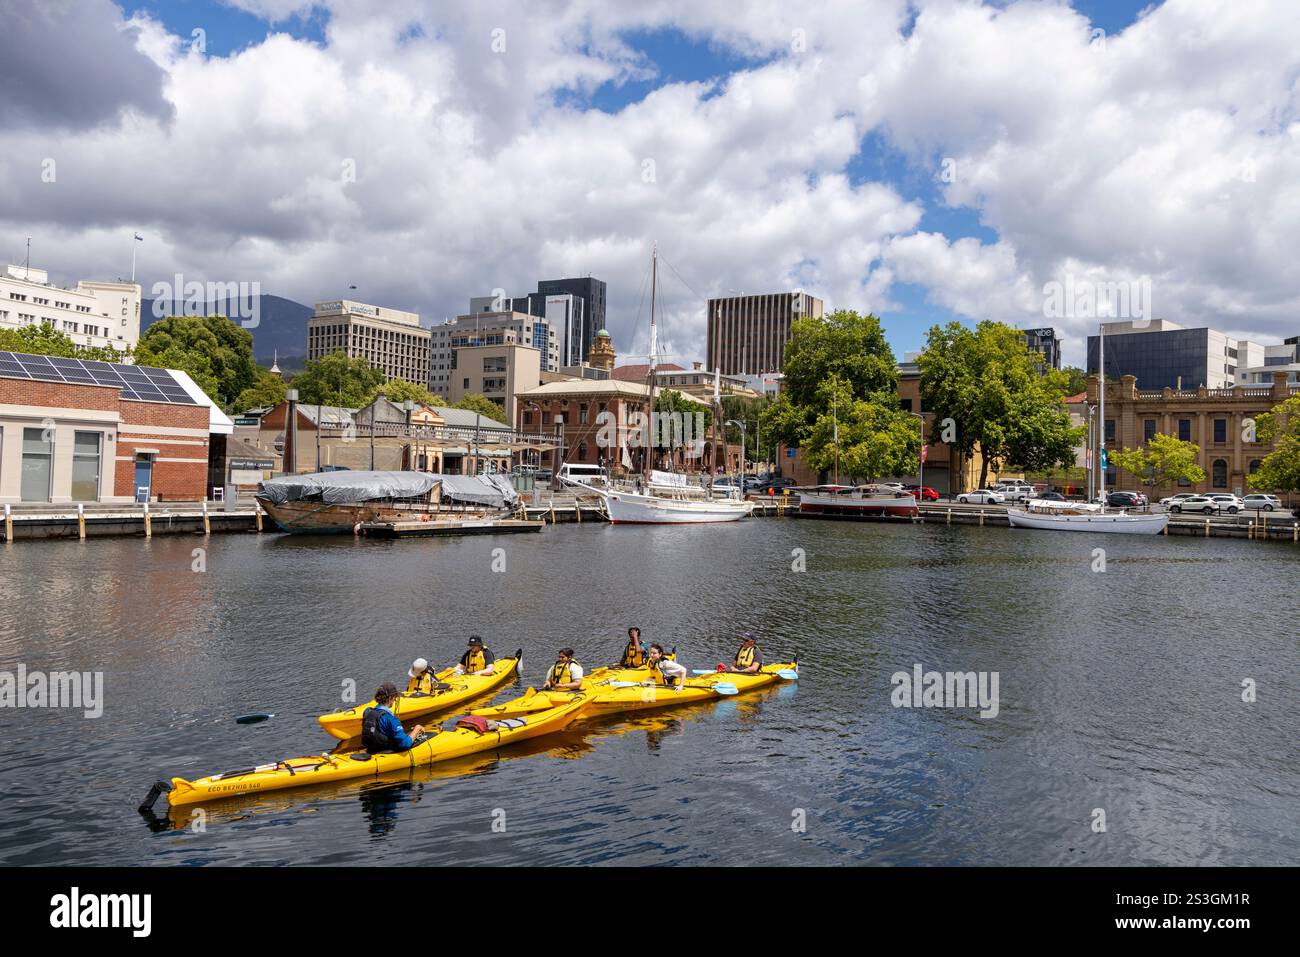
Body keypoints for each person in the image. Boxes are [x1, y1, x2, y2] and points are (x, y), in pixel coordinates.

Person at [361, 683, 424, 753]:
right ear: (390, 697)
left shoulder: (367, 712)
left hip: (371, 748)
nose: (395, 700)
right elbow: (406, 744)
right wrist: (417, 729)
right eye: (395, 697)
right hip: (384, 751)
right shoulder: (391, 719)